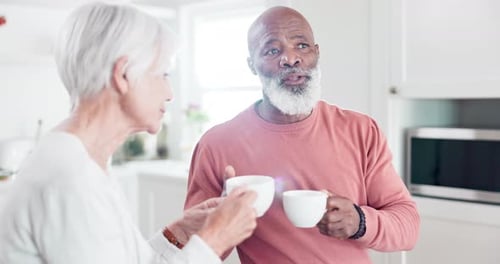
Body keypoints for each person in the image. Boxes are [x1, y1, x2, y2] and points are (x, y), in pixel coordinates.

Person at [0, 2, 258, 264]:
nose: (169, 94)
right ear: (122, 74)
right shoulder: (70, 179)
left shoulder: (82, 162)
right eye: (163, 74)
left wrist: (180, 232)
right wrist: (215, 239)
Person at [184, 6, 420, 263]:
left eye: (302, 46)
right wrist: (220, 222)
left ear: (316, 53)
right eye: (273, 50)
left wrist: (360, 222)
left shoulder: (361, 130)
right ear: (252, 65)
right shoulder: (217, 145)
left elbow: (408, 227)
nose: (291, 58)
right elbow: (191, 251)